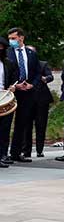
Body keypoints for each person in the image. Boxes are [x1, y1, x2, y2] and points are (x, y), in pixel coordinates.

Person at [7, 28, 41, 163]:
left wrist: (32, 84)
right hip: (11, 91)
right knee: (6, 122)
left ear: (21, 38)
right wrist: (14, 86)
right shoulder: (7, 53)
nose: (11, 41)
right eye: (10, 38)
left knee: (22, 123)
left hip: (27, 92)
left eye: (14, 38)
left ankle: (16, 152)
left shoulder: (31, 53)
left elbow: (38, 72)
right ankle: (3, 153)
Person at [0, 37, 17, 168]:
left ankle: (3, 155)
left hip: (4, 97)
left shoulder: (8, 63)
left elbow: (13, 79)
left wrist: (12, 87)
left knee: (5, 128)